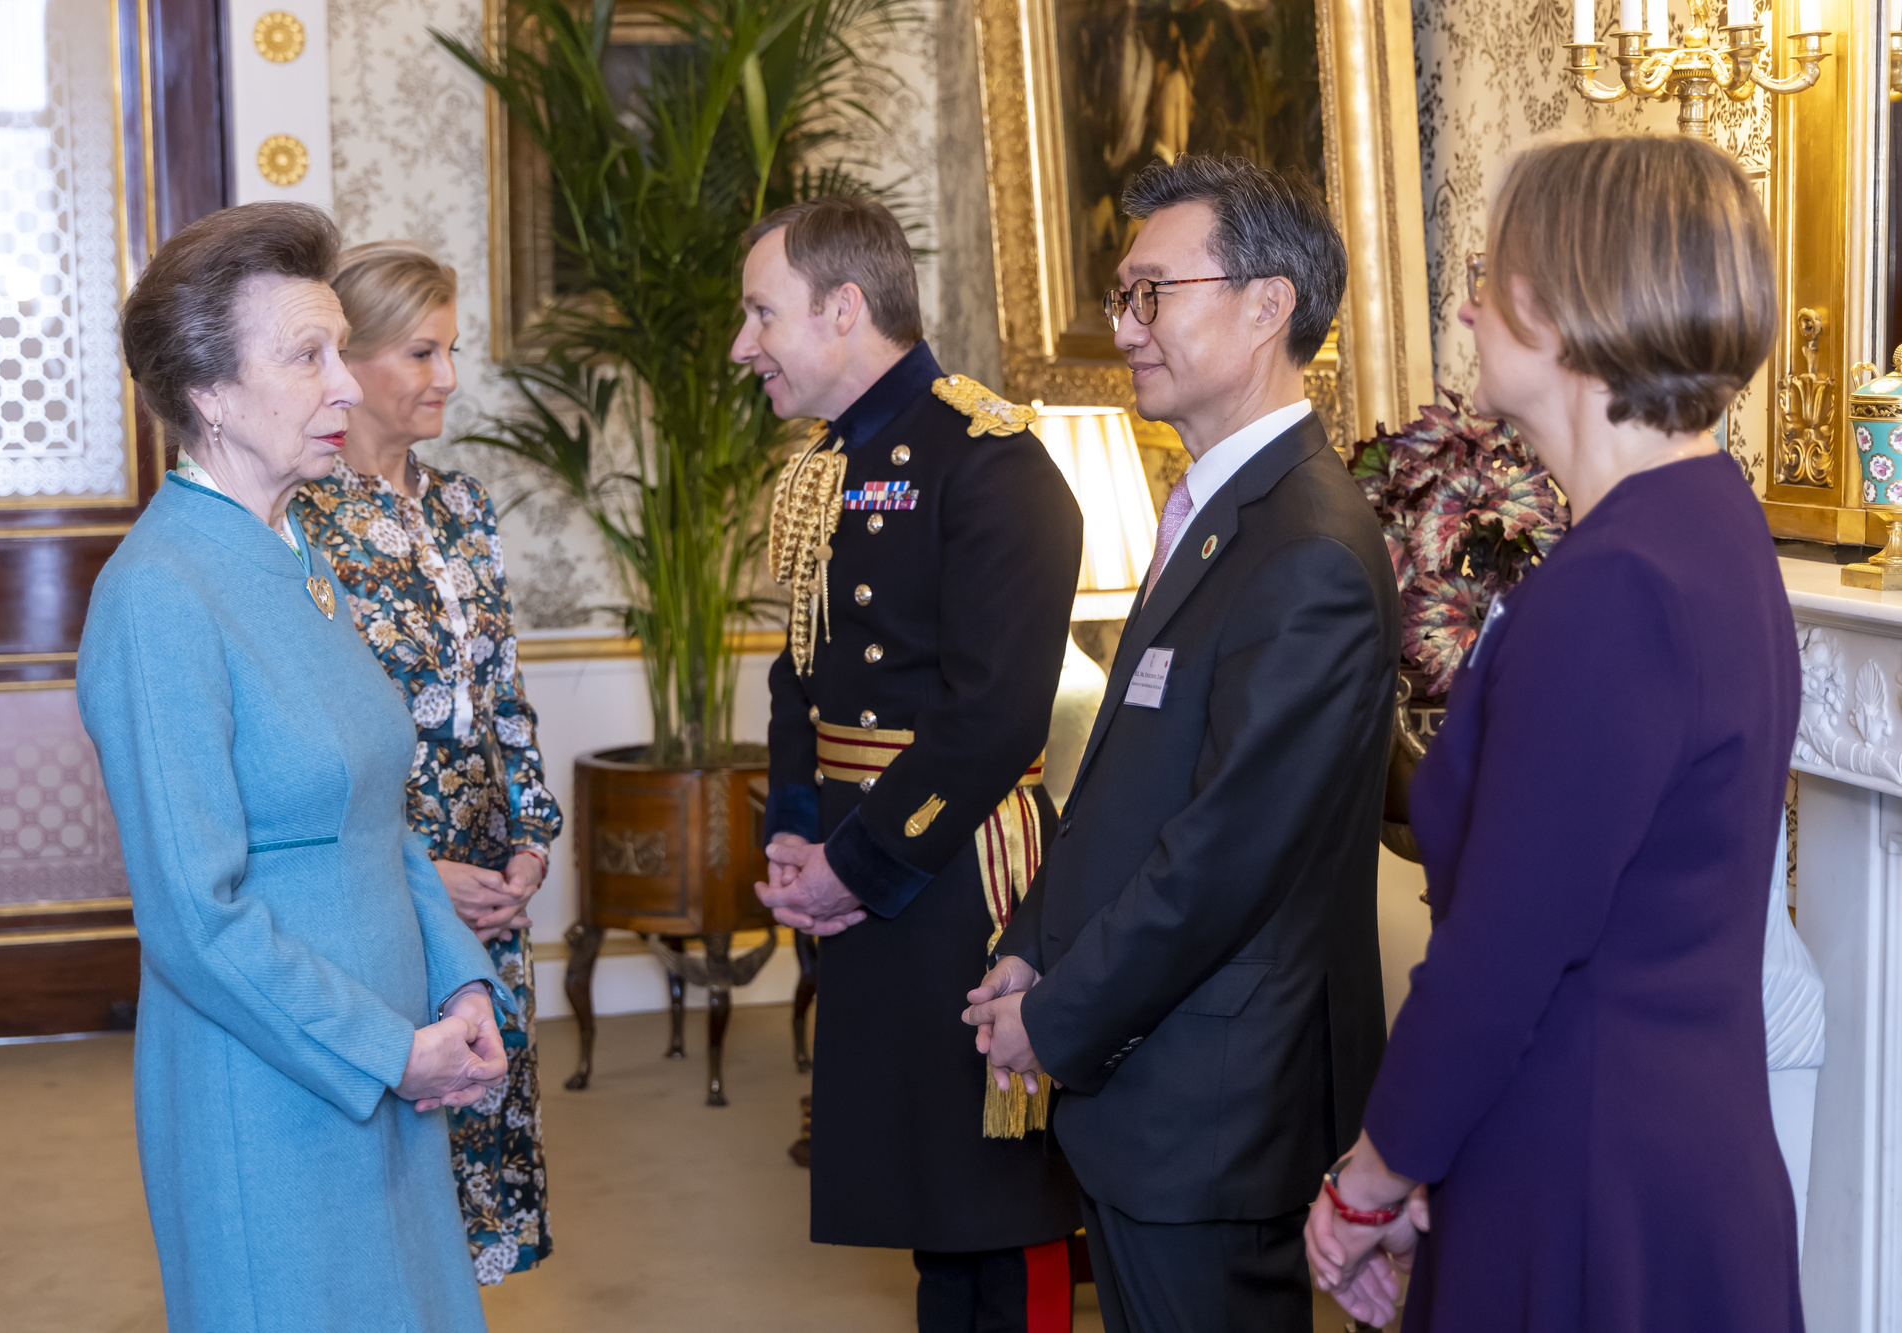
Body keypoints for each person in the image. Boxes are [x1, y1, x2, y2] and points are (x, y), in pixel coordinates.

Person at [1303, 134, 1802, 1332]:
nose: (1467, 311)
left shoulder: (1618, 581)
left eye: (1490, 278)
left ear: (1567, 304)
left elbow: (1500, 954)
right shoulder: (1710, 527)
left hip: (1584, 1174)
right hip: (1662, 1150)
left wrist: (1369, 1180)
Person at [962, 154, 1400, 1332]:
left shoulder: (1304, 541)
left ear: (1266, 306)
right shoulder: (1217, 511)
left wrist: (1053, 1018)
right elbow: (1123, 788)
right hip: (1156, 1083)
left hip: (1215, 1099)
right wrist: (1031, 944)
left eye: (1154, 292)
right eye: (1123, 296)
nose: (1127, 328)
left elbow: (1224, 853)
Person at [78, 201, 514, 1332]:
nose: (345, 385)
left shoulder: (299, 553)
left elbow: (381, 817)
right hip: (271, 1089)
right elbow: (194, 916)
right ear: (211, 393)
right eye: (307, 356)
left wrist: (460, 978)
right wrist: (392, 1051)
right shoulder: (159, 593)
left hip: (387, 1070)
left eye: (340, 349)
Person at [734, 196, 1086, 1331]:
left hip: (957, 875)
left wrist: (861, 862)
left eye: (759, 313)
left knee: (996, 1203)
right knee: (929, 1205)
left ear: (842, 310)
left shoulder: (990, 461)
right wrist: (795, 830)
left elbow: (989, 720)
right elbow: (799, 673)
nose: (744, 346)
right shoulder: (821, 471)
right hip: (859, 867)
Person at [290, 241, 561, 1286]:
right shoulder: (301, 524)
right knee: (390, 1173)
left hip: (490, 898)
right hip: (381, 896)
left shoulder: (461, 507)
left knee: (477, 1159)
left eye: (453, 349)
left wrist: (531, 843)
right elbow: (313, 738)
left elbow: (501, 691)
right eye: (423, 351)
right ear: (347, 361)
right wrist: (412, 870)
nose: (449, 376)